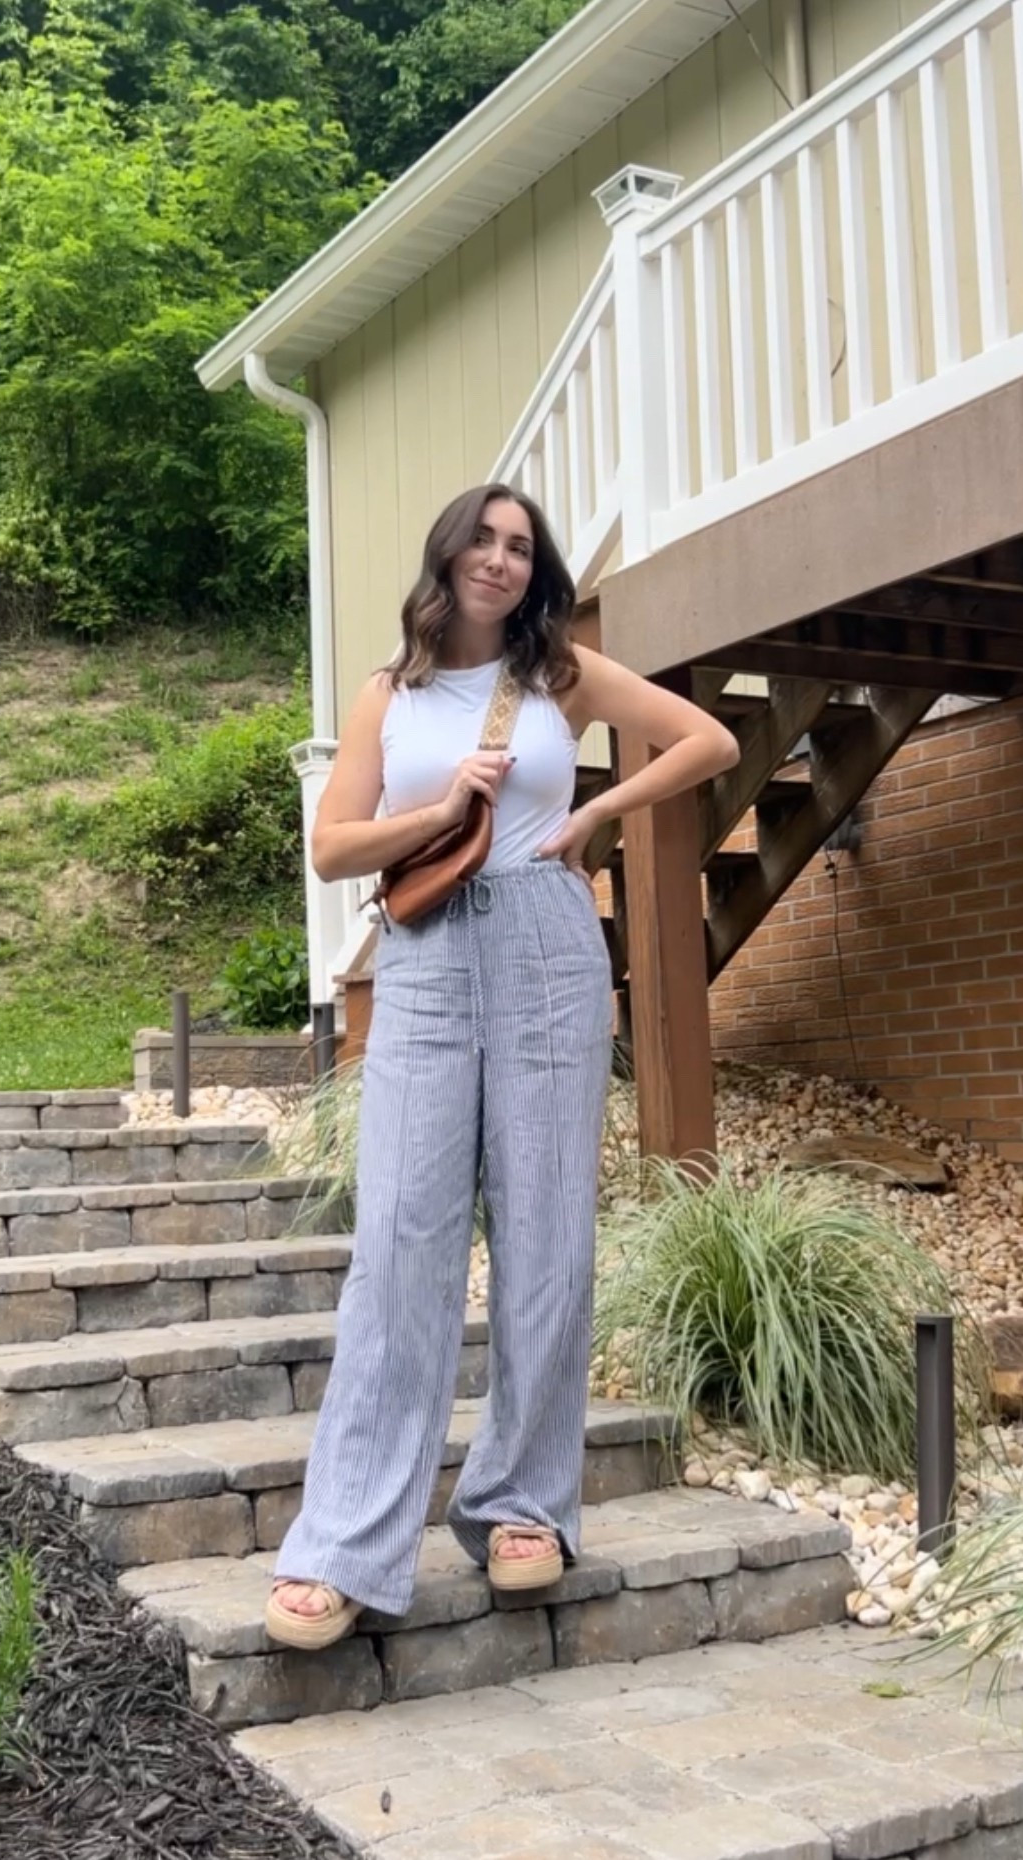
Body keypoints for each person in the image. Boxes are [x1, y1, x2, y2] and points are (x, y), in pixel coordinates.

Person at [264, 482, 739, 1651]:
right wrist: (436, 813)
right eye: (481, 539)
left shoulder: (559, 674)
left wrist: (596, 817)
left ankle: (525, 1503)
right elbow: (332, 847)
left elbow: (708, 740)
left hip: (545, 944)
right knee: (400, 1242)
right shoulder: (389, 693)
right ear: (446, 555)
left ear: (536, 570)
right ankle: (345, 1545)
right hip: (426, 955)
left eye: (521, 546)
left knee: (546, 1230)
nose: (500, 558)